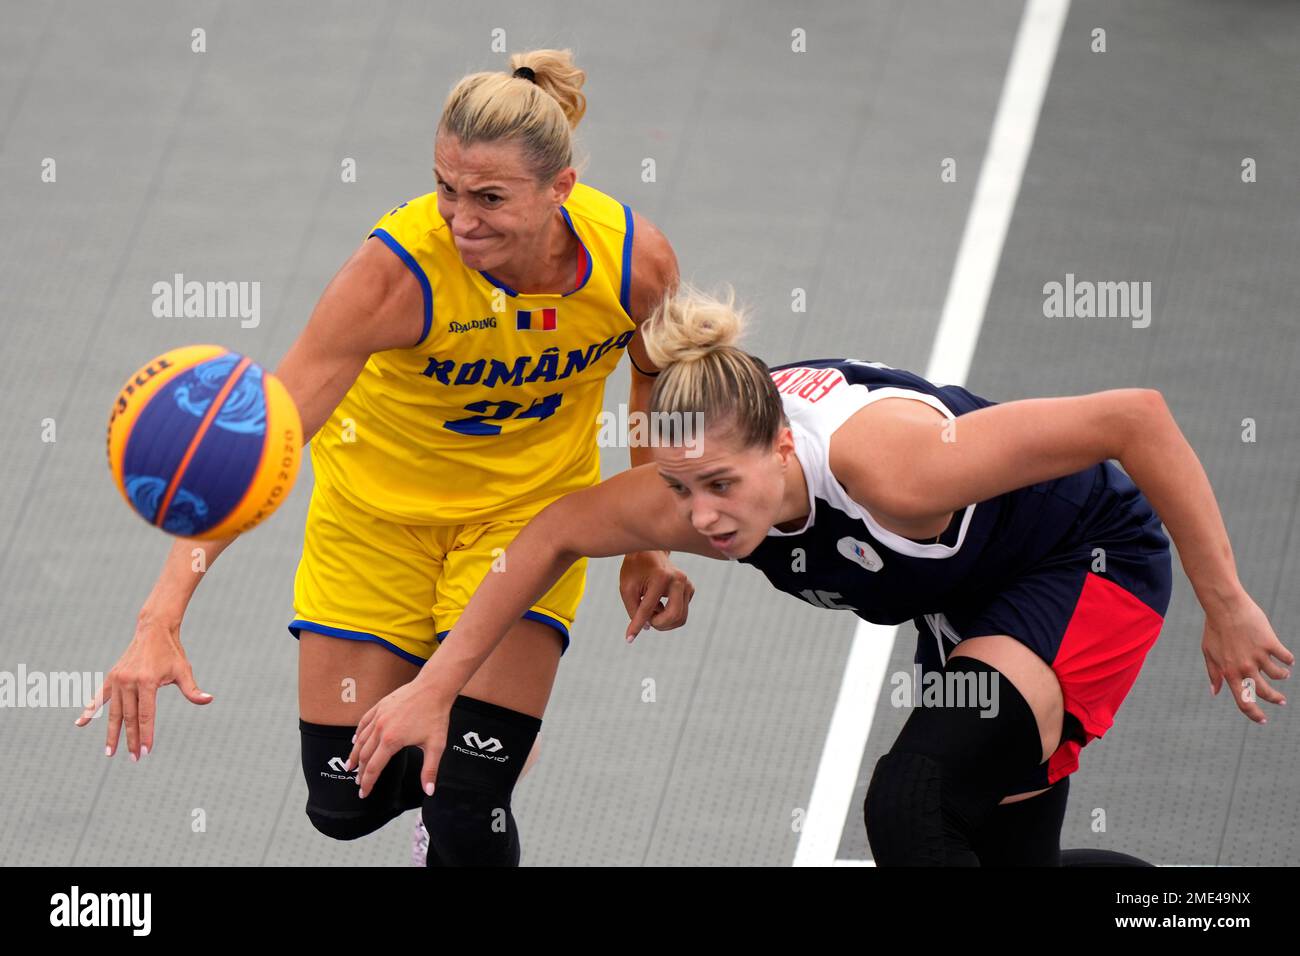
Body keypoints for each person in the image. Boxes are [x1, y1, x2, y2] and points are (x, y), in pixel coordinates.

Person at [346, 284, 1292, 865]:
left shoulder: (892, 467)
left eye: (722, 486)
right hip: (963, 598)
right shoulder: (690, 486)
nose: (705, 517)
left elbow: (1137, 417)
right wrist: (437, 685)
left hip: (1078, 558)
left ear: (783, 453)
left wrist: (1228, 603)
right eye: (681, 492)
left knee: (910, 802)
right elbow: (548, 532)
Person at [77, 49, 697, 867]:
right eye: (445, 188)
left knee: (469, 799)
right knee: (343, 802)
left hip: (530, 521)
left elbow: (650, 378)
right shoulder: (394, 277)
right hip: (375, 524)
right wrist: (159, 619)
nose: (459, 218)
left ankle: (484, 754)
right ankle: (479, 746)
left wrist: (642, 538)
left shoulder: (632, 266)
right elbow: (262, 445)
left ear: (560, 191)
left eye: (488, 197)